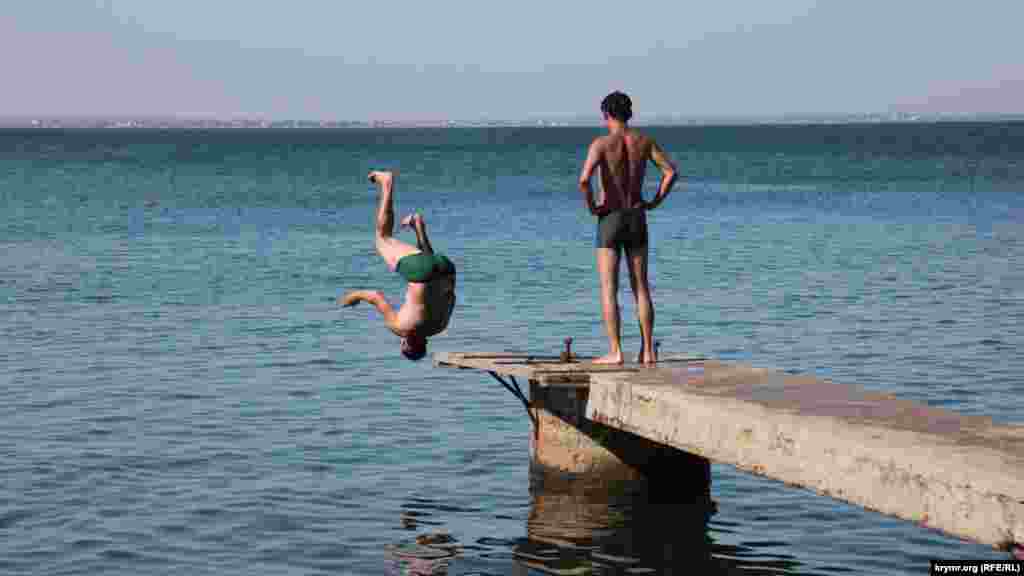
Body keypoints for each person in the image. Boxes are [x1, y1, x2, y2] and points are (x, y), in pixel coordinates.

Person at [578, 91, 678, 365]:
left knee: (609, 289)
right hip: (636, 215)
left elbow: (584, 180)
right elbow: (670, 172)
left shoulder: (600, 144)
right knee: (641, 287)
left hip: (610, 217)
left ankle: (616, 352)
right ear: (629, 113)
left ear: (606, 115)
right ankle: (647, 351)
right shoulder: (644, 142)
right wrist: (655, 202)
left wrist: (592, 207)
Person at [340, 171, 456, 361]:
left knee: (430, 270)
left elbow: (451, 296)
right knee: (382, 239)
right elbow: (375, 296)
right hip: (422, 272)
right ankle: (386, 183)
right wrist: (353, 297)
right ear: (404, 342)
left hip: (446, 269)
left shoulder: (440, 327)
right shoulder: (399, 328)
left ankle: (418, 225)